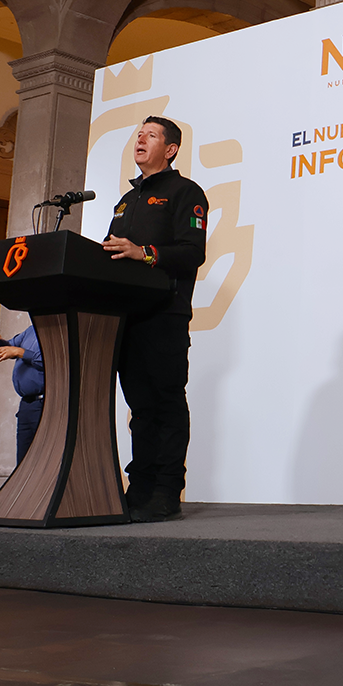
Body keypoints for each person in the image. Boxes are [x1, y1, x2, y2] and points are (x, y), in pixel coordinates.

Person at [103, 115, 208, 523]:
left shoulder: (185, 192)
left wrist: (143, 253)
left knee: (165, 403)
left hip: (165, 314)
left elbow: (192, 252)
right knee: (140, 409)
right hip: (126, 316)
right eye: (138, 134)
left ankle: (166, 491)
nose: (140, 140)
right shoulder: (126, 201)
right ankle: (140, 489)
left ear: (171, 149)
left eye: (150, 135)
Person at [0, 325, 44, 464]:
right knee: (23, 462)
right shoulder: (31, 330)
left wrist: (20, 352)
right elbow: (5, 348)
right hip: (26, 405)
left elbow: (52, 361)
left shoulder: (59, 331)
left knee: (43, 459)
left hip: (44, 404)